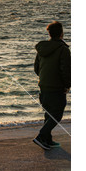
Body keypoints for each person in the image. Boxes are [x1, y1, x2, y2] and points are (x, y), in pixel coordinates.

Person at [33, 21, 71, 150]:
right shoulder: (63, 49)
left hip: (43, 85)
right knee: (57, 114)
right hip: (57, 87)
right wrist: (67, 85)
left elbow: (36, 68)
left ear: (49, 33)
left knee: (49, 113)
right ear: (61, 34)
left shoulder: (42, 49)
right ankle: (41, 136)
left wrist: (44, 78)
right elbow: (66, 70)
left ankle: (47, 140)